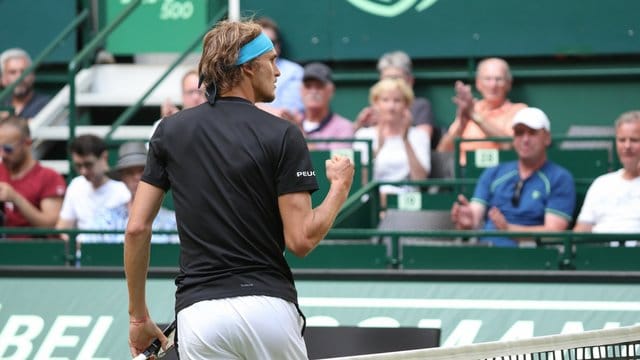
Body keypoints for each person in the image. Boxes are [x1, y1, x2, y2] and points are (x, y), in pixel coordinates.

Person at [125, 20, 354, 359]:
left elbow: (136, 228)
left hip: (200, 317)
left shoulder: (169, 132)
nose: (278, 72)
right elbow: (301, 240)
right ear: (247, 67)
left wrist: (138, 317)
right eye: (271, 61)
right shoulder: (283, 133)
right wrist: (339, 188)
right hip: (268, 311)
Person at [450, 107, 575, 247]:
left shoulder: (560, 178)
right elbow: (476, 213)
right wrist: (469, 220)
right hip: (486, 250)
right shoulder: (494, 172)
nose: (525, 139)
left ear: (547, 138)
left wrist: (510, 230)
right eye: (519, 133)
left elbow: (554, 232)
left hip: (530, 255)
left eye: (532, 133)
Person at [354, 78, 430, 206]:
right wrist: (377, 149)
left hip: (406, 202)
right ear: (376, 104)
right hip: (372, 201)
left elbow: (420, 179)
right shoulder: (363, 134)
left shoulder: (419, 135)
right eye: (385, 100)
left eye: (397, 100)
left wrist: (405, 140)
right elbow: (361, 180)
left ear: (406, 105)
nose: (391, 107)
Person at [437, 57, 527, 164]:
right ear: (478, 83)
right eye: (488, 79)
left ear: (508, 84)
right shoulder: (469, 108)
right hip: (463, 174)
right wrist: (461, 125)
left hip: (501, 173)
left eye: (498, 79)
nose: (493, 85)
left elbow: (509, 145)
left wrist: (475, 116)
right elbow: (443, 151)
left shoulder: (519, 111)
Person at [85, 142, 178, 243]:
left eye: (143, 171)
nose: (137, 177)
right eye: (129, 172)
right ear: (122, 177)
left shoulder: (171, 222)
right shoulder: (104, 219)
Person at [574, 110, 640, 245]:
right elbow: (582, 229)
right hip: (598, 258)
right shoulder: (602, 183)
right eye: (622, 140)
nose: (627, 146)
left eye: (634, 140)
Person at [354, 50, 438, 147]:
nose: (391, 107)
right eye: (386, 79)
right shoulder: (375, 109)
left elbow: (424, 142)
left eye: (396, 78)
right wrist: (360, 125)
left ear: (410, 81)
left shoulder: (420, 106)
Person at [55, 134, 130, 241]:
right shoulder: (76, 185)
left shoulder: (122, 189)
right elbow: (62, 228)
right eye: (78, 166)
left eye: (88, 164)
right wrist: (78, 245)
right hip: (83, 255)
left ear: (104, 157)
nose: (83, 171)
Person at [0, 116, 65, 233]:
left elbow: (51, 226)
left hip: (34, 248)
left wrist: (15, 198)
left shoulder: (49, 177)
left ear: (27, 143)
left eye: (8, 149)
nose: (2, 154)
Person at [293, 62, 354, 150]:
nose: (313, 91)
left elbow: (332, 161)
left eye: (319, 86)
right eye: (308, 86)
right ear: (301, 90)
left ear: (331, 91)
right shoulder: (290, 121)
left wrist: (298, 131)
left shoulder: (343, 127)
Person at [255, 16, 304, 118]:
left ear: (279, 45)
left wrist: (255, 106)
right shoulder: (244, 69)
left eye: (272, 42)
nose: (268, 47)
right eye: (262, 43)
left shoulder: (294, 72)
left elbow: (288, 113)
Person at [0, 48, 51, 119]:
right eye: (12, 72)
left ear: (33, 76)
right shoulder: (2, 105)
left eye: (24, 71)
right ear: (2, 79)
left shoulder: (48, 105)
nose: (19, 77)